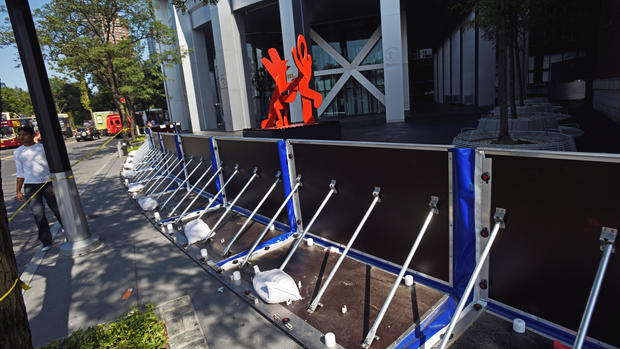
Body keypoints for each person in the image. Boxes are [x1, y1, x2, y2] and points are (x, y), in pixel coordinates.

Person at [14, 126, 63, 252]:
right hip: (30, 186)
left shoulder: (42, 148)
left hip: (47, 183)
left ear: (32, 135)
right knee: (38, 214)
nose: (21, 137)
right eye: (20, 135)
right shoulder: (18, 152)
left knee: (56, 208)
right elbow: (20, 173)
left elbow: (52, 164)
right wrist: (18, 190)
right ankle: (46, 241)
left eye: (24, 134)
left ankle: (67, 227)